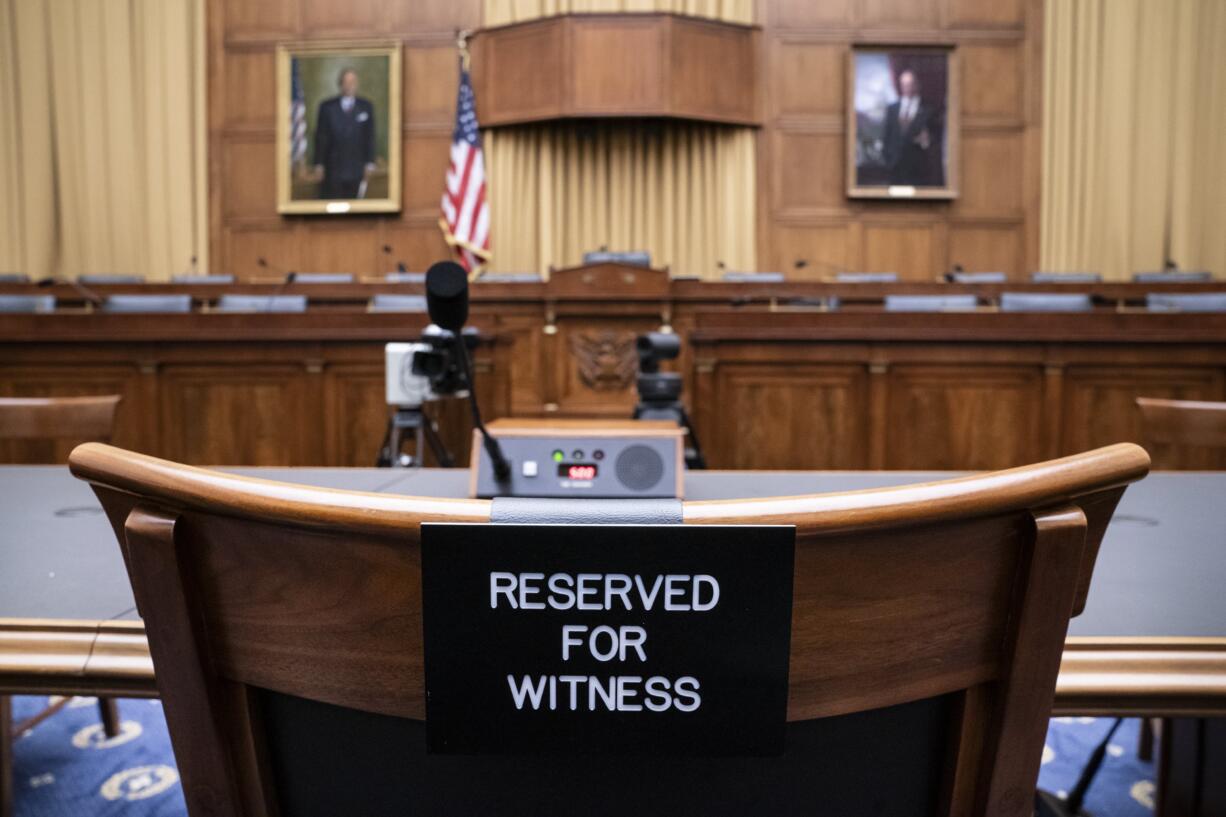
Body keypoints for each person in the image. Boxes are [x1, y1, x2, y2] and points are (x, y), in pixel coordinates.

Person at [311, 68, 377, 199]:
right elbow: (320, 137)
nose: (349, 85)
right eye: (346, 81)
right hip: (333, 169)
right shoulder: (327, 107)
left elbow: (370, 137)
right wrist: (319, 165)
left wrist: (369, 163)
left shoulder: (366, 106)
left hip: (357, 168)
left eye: (352, 81)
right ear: (340, 84)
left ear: (357, 83)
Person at [881, 69, 943, 187]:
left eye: (910, 84)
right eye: (904, 85)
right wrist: (888, 161)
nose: (907, 88)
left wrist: (927, 140)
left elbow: (936, 137)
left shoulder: (929, 110)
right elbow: (887, 137)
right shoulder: (892, 109)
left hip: (918, 169)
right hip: (895, 169)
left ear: (917, 85)